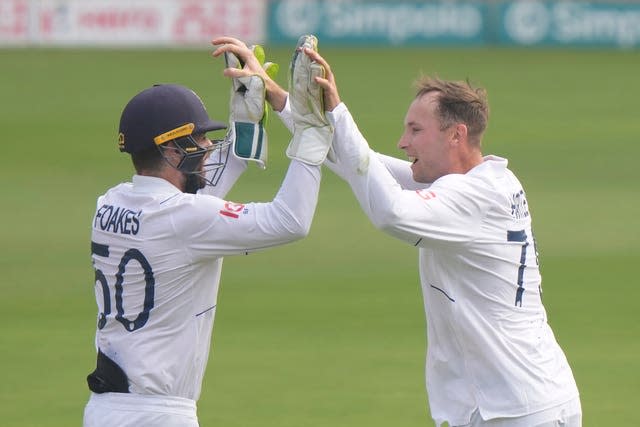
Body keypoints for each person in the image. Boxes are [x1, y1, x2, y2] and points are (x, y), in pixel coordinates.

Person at [253, 37, 581, 426]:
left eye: (415, 130)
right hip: (512, 403)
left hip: (520, 408)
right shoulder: (480, 183)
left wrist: (338, 112)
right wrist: (281, 100)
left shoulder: (476, 196)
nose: (402, 142)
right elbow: (362, 166)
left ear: (455, 135)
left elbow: (389, 211)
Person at [83, 39, 331, 426]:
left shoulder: (109, 205)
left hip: (105, 411)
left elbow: (197, 193)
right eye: (199, 140)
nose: (207, 146)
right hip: (159, 414)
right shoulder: (184, 219)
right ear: (172, 151)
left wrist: (246, 120)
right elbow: (291, 221)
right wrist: (310, 138)